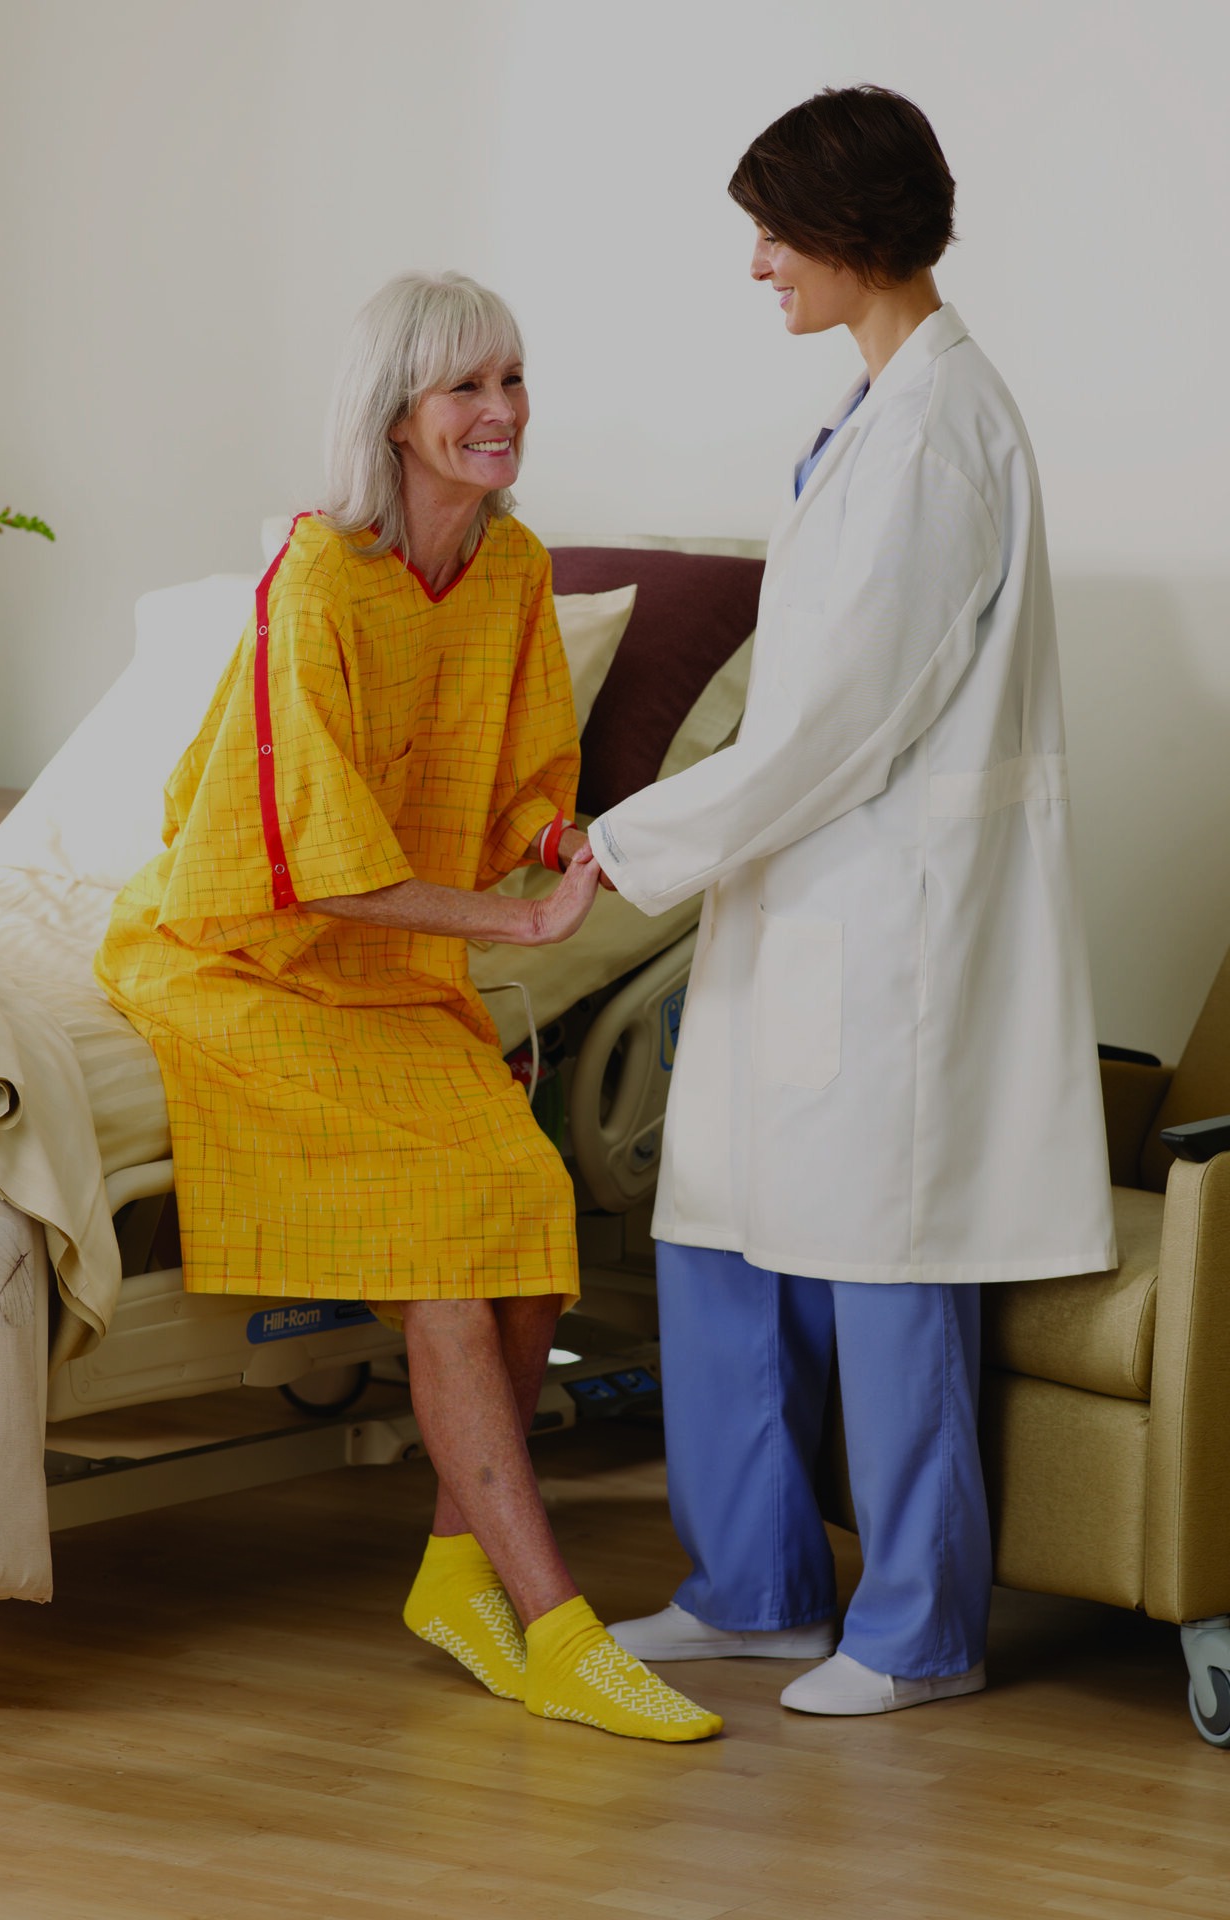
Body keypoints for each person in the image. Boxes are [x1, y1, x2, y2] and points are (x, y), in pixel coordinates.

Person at [94, 272, 720, 1743]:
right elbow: (317, 871)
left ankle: (454, 1566)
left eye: (512, 381)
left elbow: (522, 786)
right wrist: (511, 917)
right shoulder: (314, 579)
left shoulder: (514, 572)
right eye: (467, 390)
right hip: (241, 957)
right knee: (452, 1230)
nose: (501, 414)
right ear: (395, 415)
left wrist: (565, 846)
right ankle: (558, 1628)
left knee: (529, 1198)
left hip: (394, 974)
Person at [591, 88, 1116, 1715]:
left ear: (857, 229)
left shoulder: (946, 429)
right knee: (719, 1231)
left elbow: (832, 727)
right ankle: (751, 1588)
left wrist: (621, 846)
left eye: (774, 231)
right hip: (801, 897)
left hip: (894, 915)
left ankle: (914, 1629)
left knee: (890, 1261)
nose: (757, 263)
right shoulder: (873, 408)